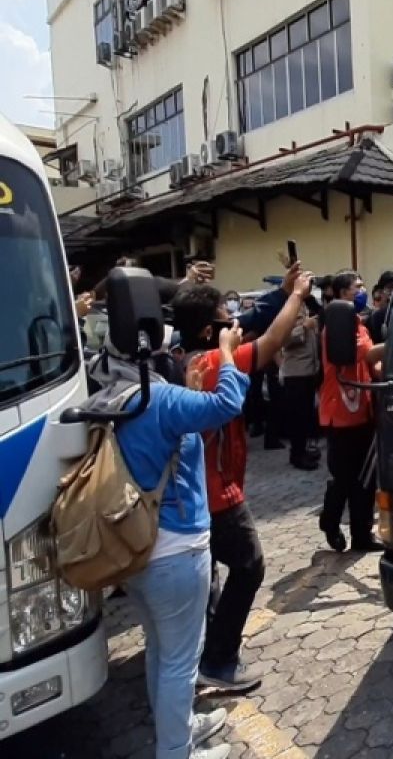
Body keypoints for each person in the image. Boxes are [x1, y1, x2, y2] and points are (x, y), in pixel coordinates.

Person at [92, 322, 248, 759]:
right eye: (176, 352)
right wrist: (227, 351)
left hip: (136, 547)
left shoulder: (112, 396)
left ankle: (179, 729)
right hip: (177, 551)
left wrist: (189, 386)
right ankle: (176, 752)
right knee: (181, 660)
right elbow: (227, 403)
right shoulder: (157, 398)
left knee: (161, 650)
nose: (181, 358)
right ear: (155, 357)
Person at [171, 263, 312, 692]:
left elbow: (251, 324)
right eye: (223, 317)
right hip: (218, 496)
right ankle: (219, 659)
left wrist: (281, 292)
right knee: (249, 567)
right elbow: (271, 341)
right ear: (206, 332)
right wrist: (298, 296)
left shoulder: (184, 360)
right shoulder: (213, 364)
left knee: (209, 575)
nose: (233, 322)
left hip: (193, 496)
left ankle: (202, 648)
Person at [320, 271, 388, 551]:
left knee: (366, 479)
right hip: (341, 414)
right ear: (342, 294)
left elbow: (373, 366)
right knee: (344, 478)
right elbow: (369, 354)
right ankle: (330, 520)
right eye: (356, 288)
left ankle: (362, 536)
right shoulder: (336, 328)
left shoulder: (360, 327)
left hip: (363, 410)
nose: (362, 292)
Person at [280, 298, 322, 470]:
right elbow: (283, 340)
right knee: (297, 418)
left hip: (308, 371)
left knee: (305, 416)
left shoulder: (305, 307)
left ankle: (303, 450)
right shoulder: (288, 310)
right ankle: (297, 455)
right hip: (295, 373)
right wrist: (304, 327)